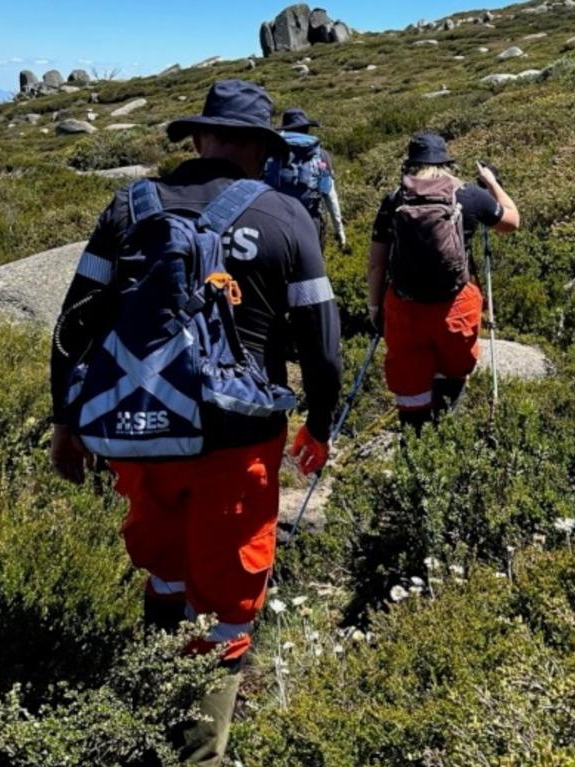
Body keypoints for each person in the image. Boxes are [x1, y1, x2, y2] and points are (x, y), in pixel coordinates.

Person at [49, 79, 342, 765]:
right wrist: (321, 425)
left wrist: (67, 422)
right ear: (259, 147)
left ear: (200, 137)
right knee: (228, 600)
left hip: (141, 430)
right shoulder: (286, 216)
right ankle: (196, 752)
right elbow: (322, 345)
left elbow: (74, 323)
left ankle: (152, 708)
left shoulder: (130, 205)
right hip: (237, 445)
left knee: (166, 573)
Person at [367, 133, 520, 432]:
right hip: (455, 308)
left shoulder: (394, 200)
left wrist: (375, 307)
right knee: (453, 376)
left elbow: (376, 264)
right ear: (446, 163)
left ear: (410, 165)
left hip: (404, 310)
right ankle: (446, 442)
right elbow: (512, 222)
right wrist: (491, 183)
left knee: (410, 387)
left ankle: (414, 443)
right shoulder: (469, 196)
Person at [264, 107, 350, 253]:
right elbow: (329, 194)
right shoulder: (320, 156)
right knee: (310, 272)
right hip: (310, 224)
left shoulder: (271, 153)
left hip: (275, 224)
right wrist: (339, 230)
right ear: (307, 129)